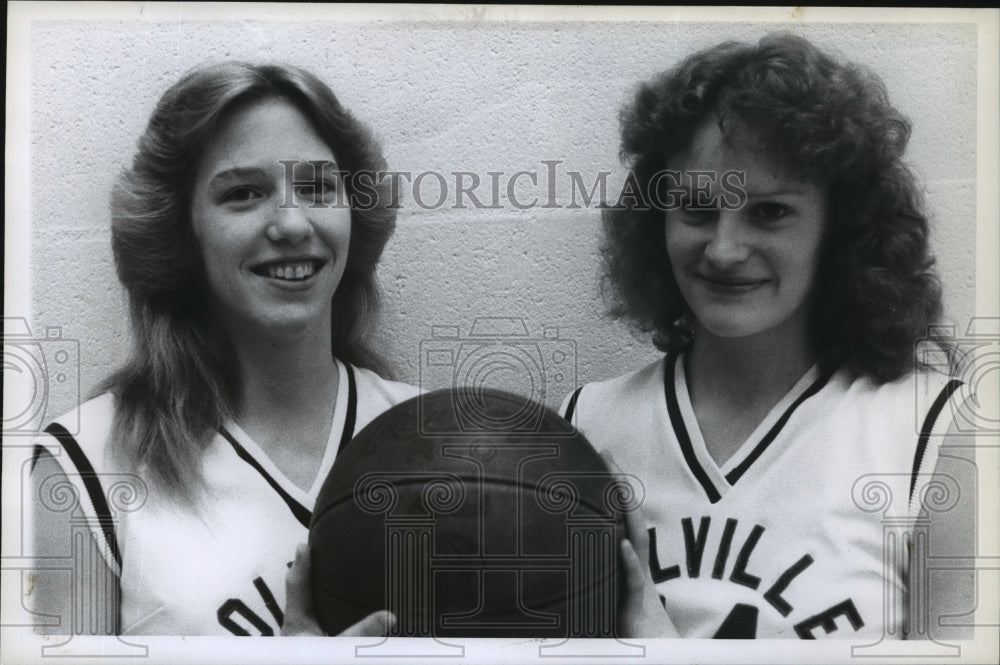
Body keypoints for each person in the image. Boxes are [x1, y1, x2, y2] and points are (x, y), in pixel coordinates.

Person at [563, 34, 973, 639]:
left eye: (770, 212)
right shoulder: (585, 425)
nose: (725, 249)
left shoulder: (937, 431)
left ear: (841, 226)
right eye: (697, 208)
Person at [29, 62, 418, 636]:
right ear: (178, 231)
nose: (292, 223)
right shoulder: (85, 465)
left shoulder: (435, 438)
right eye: (243, 194)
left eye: (316, 187)